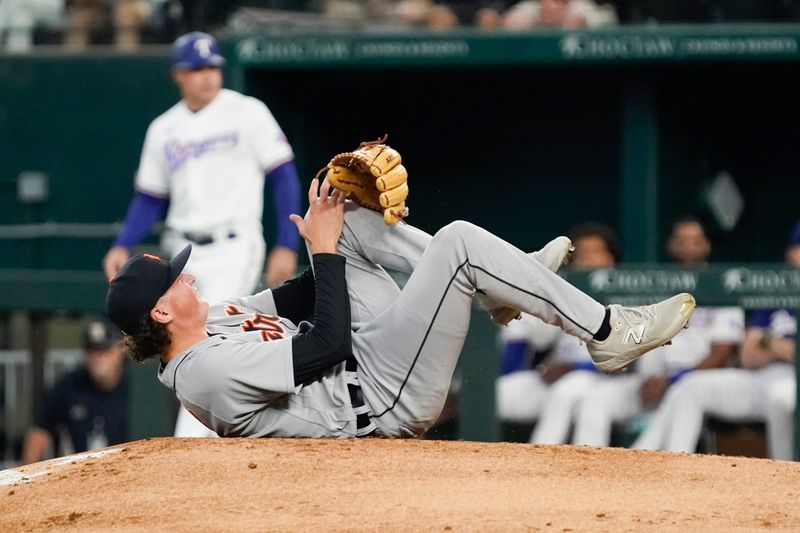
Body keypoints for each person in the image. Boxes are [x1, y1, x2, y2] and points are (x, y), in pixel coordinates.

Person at [105, 177, 696, 439]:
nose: (188, 278)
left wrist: (330, 217)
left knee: (355, 224)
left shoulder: (216, 319)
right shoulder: (200, 372)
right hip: (380, 403)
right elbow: (325, 347)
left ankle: (504, 286)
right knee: (459, 240)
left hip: (370, 362)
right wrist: (325, 251)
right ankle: (605, 330)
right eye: (175, 282)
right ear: (160, 314)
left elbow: (307, 293)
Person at [102, 31, 301, 437]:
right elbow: (149, 197)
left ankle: (193, 442)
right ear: (179, 74)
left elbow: (284, 178)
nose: (208, 76)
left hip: (234, 242)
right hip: (183, 250)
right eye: (197, 69)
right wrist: (124, 242)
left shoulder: (248, 111)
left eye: (213, 67)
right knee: (187, 337)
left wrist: (286, 242)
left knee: (208, 333)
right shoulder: (164, 128)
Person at [568, 218, 744, 447]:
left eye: (695, 241)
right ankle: (588, 467)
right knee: (596, 398)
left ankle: (659, 467)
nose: (689, 247)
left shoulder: (720, 286)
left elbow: (722, 352)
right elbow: (628, 338)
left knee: (684, 393)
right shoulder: (654, 284)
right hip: (648, 382)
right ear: (671, 245)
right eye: (682, 241)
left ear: (706, 245)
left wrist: (671, 381)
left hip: (692, 379)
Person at [633, 225, 800, 460]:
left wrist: (771, 344)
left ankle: (786, 476)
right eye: (797, 248)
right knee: (692, 387)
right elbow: (748, 355)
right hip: (759, 378)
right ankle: (669, 464)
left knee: (782, 400)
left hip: (790, 382)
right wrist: (785, 349)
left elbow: (766, 347)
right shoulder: (776, 291)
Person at [495, 223, 618, 430]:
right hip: (553, 376)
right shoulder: (563, 295)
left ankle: (549, 459)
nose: (588, 260)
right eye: (583, 254)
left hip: (603, 381)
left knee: (568, 391)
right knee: (494, 394)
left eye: (596, 253)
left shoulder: (626, 299)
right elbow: (536, 339)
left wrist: (576, 367)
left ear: (611, 259)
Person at [20, 318, 129, 464]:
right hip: (81, 473)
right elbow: (40, 432)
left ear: (119, 350)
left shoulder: (137, 387)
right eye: (92, 351)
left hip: (130, 472)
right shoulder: (71, 385)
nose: (98, 358)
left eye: (104, 350)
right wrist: (26, 479)